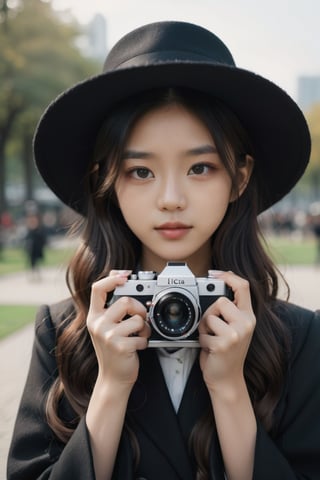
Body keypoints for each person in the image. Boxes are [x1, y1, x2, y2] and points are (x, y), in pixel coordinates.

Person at [7, 21, 320, 480]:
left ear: (240, 176)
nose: (171, 197)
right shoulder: (64, 334)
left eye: (200, 167)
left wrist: (230, 388)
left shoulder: (299, 338)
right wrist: (111, 386)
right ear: (104, 180)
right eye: (140, 172)